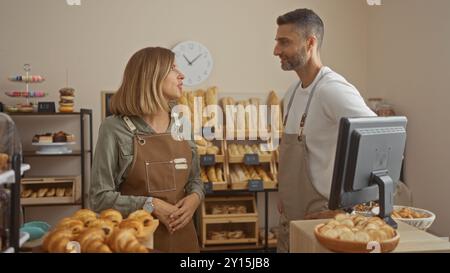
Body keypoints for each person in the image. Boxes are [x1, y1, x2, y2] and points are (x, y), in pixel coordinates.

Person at [273, 9, 376, 253]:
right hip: (291, 221)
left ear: (310, 43)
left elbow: (378, 143)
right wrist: (285, 193)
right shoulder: (292, 92)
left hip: (323, 224)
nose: (276, 50)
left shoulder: (332, 90)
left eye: (284, 42)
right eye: (277, 41)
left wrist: (351, 210)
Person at [89, 47, 205, 252]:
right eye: (173, 69)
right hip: (134, 242)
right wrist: (149, 204)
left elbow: (195, 180)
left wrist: (195, 198)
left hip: (183, 239)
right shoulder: (114, 128)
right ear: (151, 76)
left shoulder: (182, 123)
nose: (182, 75)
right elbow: (99, 198)